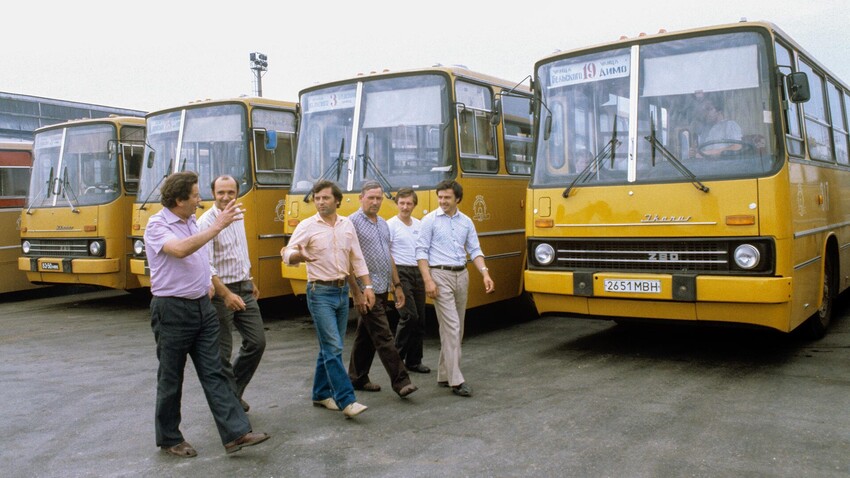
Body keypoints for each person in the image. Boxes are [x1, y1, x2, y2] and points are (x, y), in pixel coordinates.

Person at [145, 171, 269, 458]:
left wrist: (210, 287)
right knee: (171, 377)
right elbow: (179, 250)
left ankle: (236, 434)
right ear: (179, 200)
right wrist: (217, 226)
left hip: (202, 306)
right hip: (172, 310)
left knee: (216, 371)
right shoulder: (157, 225)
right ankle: (169, 437)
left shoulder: (189, 221)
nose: (199, 199)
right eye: (195, 195)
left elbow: (200, 259)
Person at [281, 179, 371, 418]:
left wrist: (366, 287)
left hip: (342, 292)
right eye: (317, 198)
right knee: (333, 347)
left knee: (329, 348)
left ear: (337, 201)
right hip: (319, 293)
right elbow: (286, 252)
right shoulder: (307, 226)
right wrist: (297, 255)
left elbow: (357, 258)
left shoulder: (347, 225)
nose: (320, 202)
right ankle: (346, 399)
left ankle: (321, 393)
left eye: (325, 198)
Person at [416, 179, 494, 398]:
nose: (443, 201)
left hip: (462, 274)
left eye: (447, 197)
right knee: (452, 327)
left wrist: (485, 273)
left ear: (457, 199)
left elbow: (475, 249)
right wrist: (428, 281)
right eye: (440, 197)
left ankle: (443, 373)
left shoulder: (466, 222)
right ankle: (456, 380)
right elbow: (421, 252)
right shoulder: (429, 220)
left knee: (456, 328)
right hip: (439, 275)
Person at [197, 175, 265, 414]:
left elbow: (240, 250)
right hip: (220, 293)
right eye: (220, 193)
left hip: (244, 286)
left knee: (257, 342)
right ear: (213, 194)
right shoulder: (206, 222)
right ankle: (227, 404)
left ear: (237, 192)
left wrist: (250, 278)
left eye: (230, 192)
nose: (226, 197)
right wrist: (226, 295)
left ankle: (232, 393)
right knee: (222, 353)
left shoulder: (238, 214)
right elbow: (207, 265)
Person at [347, 181, 418, 398]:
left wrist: (396, 285)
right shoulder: (352, 223)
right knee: (383, 334)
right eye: (371, 198)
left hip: (382, 287)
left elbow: (389, 256)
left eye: (378, 198)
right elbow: (347, 258)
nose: (375, 202)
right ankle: (401, 381)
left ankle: (357, 378)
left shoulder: (382, 224)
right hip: (365, 289)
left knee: (366, 336)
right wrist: (356, 292)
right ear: (361, 198)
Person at [386, 187, 431, 374]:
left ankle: (414, 361)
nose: (405, 207)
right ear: (397, 204)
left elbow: (424, 250)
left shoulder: (419, 225)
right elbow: (387, 254)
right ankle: (395, 361)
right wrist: (393, 281)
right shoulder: (390, 225)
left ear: (414, 205)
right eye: (402, 203)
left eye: (409, 203)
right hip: (400, 272)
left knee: (420, 318)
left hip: (418, 272)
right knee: (409, 315)